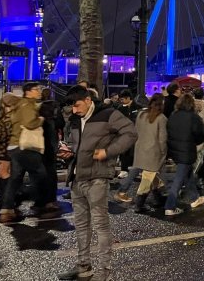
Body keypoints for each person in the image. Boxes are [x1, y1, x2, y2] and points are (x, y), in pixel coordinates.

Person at [58, 86, 137, 281]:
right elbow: (78, 145)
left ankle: (104, 271)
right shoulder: (76, 119)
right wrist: (70, 152)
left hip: (98, 178)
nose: (75, 111)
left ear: (87, 100)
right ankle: (83, 265)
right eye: (72, 107)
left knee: (101, 225)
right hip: (78, 177)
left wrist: (108, 152)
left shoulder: (108, 114)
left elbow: (130, 133)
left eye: (77, 105)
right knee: (81, 225)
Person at [0, 82, 49, 223]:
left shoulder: (20, 104)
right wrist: (41, 119)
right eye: (36, 89)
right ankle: (40, 203)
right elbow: (30, 123)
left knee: (15, 178)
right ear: (28, 92)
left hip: (15, 146)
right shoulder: (27, 105)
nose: (39, 91)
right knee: (41, 175)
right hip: (24, 146)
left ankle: (7, 209)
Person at [122, 94, 167, 213]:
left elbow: (136, 132)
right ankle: (139, 204)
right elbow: (162, 139)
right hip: (153, 152)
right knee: (147, 179)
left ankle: (159, 198)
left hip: (140, 150)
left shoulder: (141, 115)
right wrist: (164, 153)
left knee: (151, 176)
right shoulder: (161, 118)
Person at [164, 93, 204, 216]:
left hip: (174, 150)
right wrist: (195, 142)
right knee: (179, 178)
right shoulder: (194, 117)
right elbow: (201, 133)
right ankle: (170, 206)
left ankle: (195, 198)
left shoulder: (173, 116)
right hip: (187, 150)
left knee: (187, 174)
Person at [39, 87, 63, 217]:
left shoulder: (38, 107)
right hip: (51, 140)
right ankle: (51, 199)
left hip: (39, 140)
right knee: (51, 170)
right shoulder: (55, 107)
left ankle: (41, 198)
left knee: (40, 170)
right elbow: (61, 123)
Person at [115, 89, 139, 179]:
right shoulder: (120, 108)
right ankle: (124, 170)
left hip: (135, 133)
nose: (121, 101)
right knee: (124, 152)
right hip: (123, 133)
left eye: (122, 99)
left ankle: (134, 170)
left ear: (128, 98)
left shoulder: (137, 107)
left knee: (134, 152)